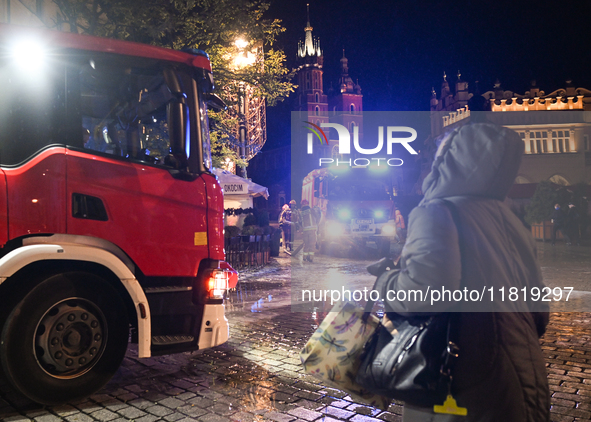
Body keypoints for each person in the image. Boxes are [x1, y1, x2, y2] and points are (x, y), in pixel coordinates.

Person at [372, 122, 550, 421]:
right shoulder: (511, 220)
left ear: (447, 162)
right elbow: (539, 314)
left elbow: (425, 295)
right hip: (525, 381)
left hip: (463, 384)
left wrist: (385, 280)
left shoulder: (437, 212)